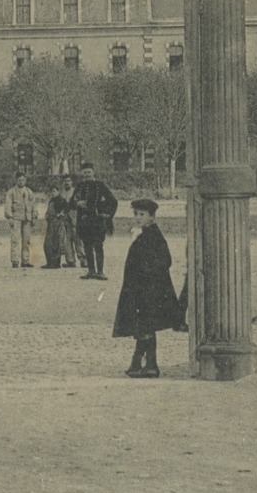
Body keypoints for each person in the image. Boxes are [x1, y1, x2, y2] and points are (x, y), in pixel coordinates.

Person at [113, 198, 187, 378]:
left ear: (152, 217)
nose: (138, 218)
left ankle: (151, 365)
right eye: (136, 214)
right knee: (142, 326)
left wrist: (146, 274)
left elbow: (165, 260)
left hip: (149, 290)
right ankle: (137, 363)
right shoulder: (145, 233)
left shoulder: (153, 235)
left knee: (145, 326)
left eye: (142, 215)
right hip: (141, 289)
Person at [70, 161, 118, 280]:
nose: (87, 175)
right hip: (84, 221)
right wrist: (77, 203)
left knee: (98, 246)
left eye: (89, 172)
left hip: (97, 222)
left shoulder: (100, 185)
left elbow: (113, 201)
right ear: (82, 173)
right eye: (85, 172)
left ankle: (100, 272)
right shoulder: (80, 186)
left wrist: (107, 214)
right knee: (87, 246)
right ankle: (91, 271)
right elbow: (70, 203)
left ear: (93, 173)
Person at [43, 176, 80, 270]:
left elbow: (71, 205)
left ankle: (84, 261)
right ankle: (70, 261)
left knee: (77, 239)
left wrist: (62, 213)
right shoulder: (60, 194)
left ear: (72, 182)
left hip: (73, 219)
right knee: (65, 241)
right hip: (63, 221)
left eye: (68, 181)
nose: (67, 182)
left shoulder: (76, 192)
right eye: (65, 181)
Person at [3, 171, 37, 269]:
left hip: (27, 219)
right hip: (16, 219)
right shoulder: (11, 192)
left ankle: (25, 260)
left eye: (23, 180)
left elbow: (34, 205)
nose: (21, 182)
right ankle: (15, 261)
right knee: (15, 240)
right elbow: (8, 205)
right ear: (16, 180)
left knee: (26, 241)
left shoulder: (29, 192)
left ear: (25, 180)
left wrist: (34, 216)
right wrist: (9, 217)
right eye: (19, 180)